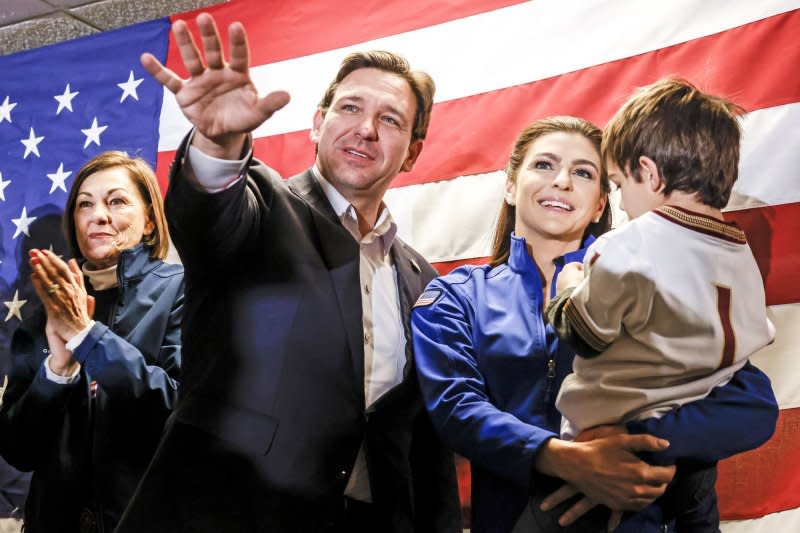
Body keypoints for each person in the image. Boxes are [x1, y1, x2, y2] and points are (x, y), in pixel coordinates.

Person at [117, 12, 460, 533]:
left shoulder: (421, 279)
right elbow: (209, 216)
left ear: (412, 152)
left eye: (390, 119)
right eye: (350, 107)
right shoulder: (261, 207)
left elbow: (417, 439)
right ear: (318, 123)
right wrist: (217, 146)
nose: (366, 129)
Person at [410, 116, 778, 533]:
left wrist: (631, 447)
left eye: (583, 172)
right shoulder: (456, 296)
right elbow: (458, 409)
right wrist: (566, 459)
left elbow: (752, 403)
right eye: (544, 165)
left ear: (602, 202)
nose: (563, 181)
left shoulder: (651, 275)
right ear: (511, 186)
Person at [545, 79, 775, 531]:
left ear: (650, 175)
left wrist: (567, 286)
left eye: (617, 184)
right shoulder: (738, 251)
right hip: (695, 453)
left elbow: (586, 336)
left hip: (616, 449)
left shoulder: (628, 244)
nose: (620, 202)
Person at [0, 151, 183, 532]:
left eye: (116, 201)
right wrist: (57, 371)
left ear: (149, 221)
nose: (98, 214)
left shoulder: (184, 291)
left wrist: (88, 337)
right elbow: (18, 448)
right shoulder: (42, 317)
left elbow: (180, 413)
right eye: (86, 204)